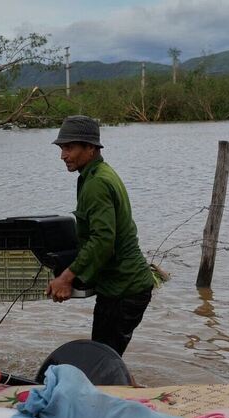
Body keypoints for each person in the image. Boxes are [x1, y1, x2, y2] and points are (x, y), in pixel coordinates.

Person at [45, 115, 155, 356]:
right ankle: (128, 388)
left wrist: (66, 278)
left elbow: (102, 241)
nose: (63, 155)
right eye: (62, 148)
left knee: (102, 360)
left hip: (125, 288)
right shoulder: (96, 175)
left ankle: (127, 391)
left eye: (69, 148)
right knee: (105, 357)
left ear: (91, 148)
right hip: (119, 287)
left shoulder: (97, 183)